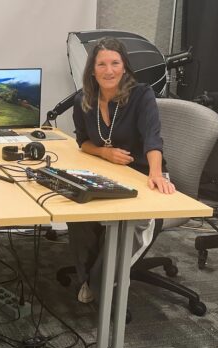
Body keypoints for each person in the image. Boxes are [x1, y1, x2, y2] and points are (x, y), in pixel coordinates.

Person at [68, 37, 175, 303]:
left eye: (115, 63)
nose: (109, 70)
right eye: (101, 64)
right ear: (92, 69)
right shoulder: (83, 100)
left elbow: (153, 138)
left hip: (143, 173)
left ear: (124, 66)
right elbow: (83, 141)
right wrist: (104, 152)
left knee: (135, 222)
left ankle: (102, 285)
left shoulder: (142, 95)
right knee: (74, 206)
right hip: (107, 171)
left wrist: (156, 174)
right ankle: (89, 279)